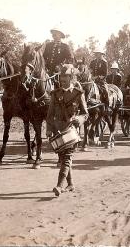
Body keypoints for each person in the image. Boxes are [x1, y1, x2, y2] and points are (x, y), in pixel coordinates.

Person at [46, 64, 88, 196]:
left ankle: (59, 185)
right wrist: (48, 129)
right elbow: (49, 114)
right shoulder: (55, 94)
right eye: (61, 76)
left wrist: (79, 119)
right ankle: (70, 184)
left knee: (67, 158)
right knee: (63, 157)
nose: (62, 79)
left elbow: (86, 114)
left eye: (65, 76)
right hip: (58, 132)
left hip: (71, 131)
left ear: (71, 77)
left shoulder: (78, 93)